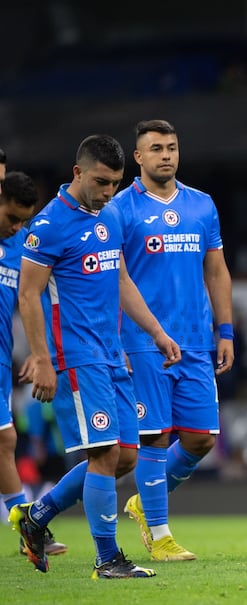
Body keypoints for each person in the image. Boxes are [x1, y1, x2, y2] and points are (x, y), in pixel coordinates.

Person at [12, 134, 181, 579]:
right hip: (77, 356)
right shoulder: (48, 227)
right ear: (77, 173)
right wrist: (43, 360)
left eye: (115, 183)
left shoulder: (110, 217)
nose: (109, 192)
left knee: (125, 456)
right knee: (105, 454)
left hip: (113, 352)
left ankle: (36, 517)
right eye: (101, 182)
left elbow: (122, 280)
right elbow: (29, 296)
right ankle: (108, 559)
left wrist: (158, 333)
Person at [111, 119, 234, 562]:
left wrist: (225, 330)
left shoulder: (202, 205)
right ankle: (160, 534)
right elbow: (118, 280)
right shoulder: (120, 208)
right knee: (155, 438)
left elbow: (216, 271)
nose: (166, 155)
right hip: (144, 343)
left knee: (202, 438)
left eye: (173, 147)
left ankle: (146, 501)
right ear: (138, 157)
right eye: (156, 148)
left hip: (197, 340)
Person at [0, 168, 68, 558]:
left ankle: (27, 528)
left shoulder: (22, 246)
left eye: (24, 221)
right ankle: (28, 527)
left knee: (5, 440)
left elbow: (35, 299)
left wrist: (38, 353)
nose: (17, 227)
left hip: (2, 360)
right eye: (12, 218)